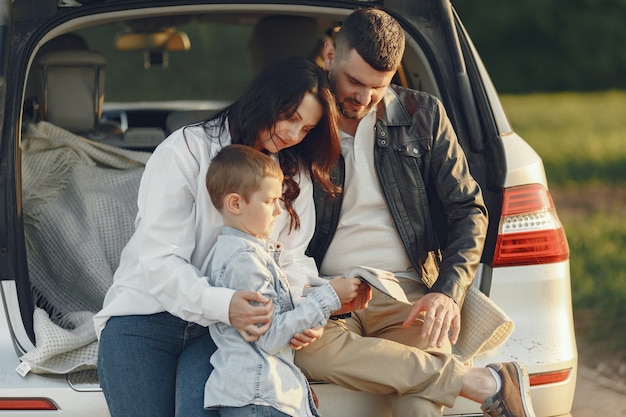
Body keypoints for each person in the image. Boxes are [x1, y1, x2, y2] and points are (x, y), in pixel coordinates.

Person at [294, 8, 537, 417]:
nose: (363, 97)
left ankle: (460, 379)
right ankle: (484, 382)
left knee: (420, 408)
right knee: (303, 352)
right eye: (354, 81)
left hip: (406, 294)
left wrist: (447, 291)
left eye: (378, 87)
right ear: (330, 53)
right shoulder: (299, 121)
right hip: (324, 294)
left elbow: (469, 210)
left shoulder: (424, 116)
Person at [94, 56, 355, 417]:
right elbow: (160, 259)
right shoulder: (186, 149)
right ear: (265, 100)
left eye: (307, 128)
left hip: (220, 334)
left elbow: (291, 260)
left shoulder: (294, 174)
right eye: (291, 118)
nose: (294, 135)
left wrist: (296, 311)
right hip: (144, 319)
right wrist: (225, 303)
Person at [202, 144, 361, 417]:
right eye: (269, 201)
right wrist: (329, 296)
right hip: (258, 398)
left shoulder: (253, 253)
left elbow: (276, 320)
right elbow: (270, 337)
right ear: (235, 204)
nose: (278, 211)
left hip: (264, 395)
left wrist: (314, 313)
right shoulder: (243, 260)